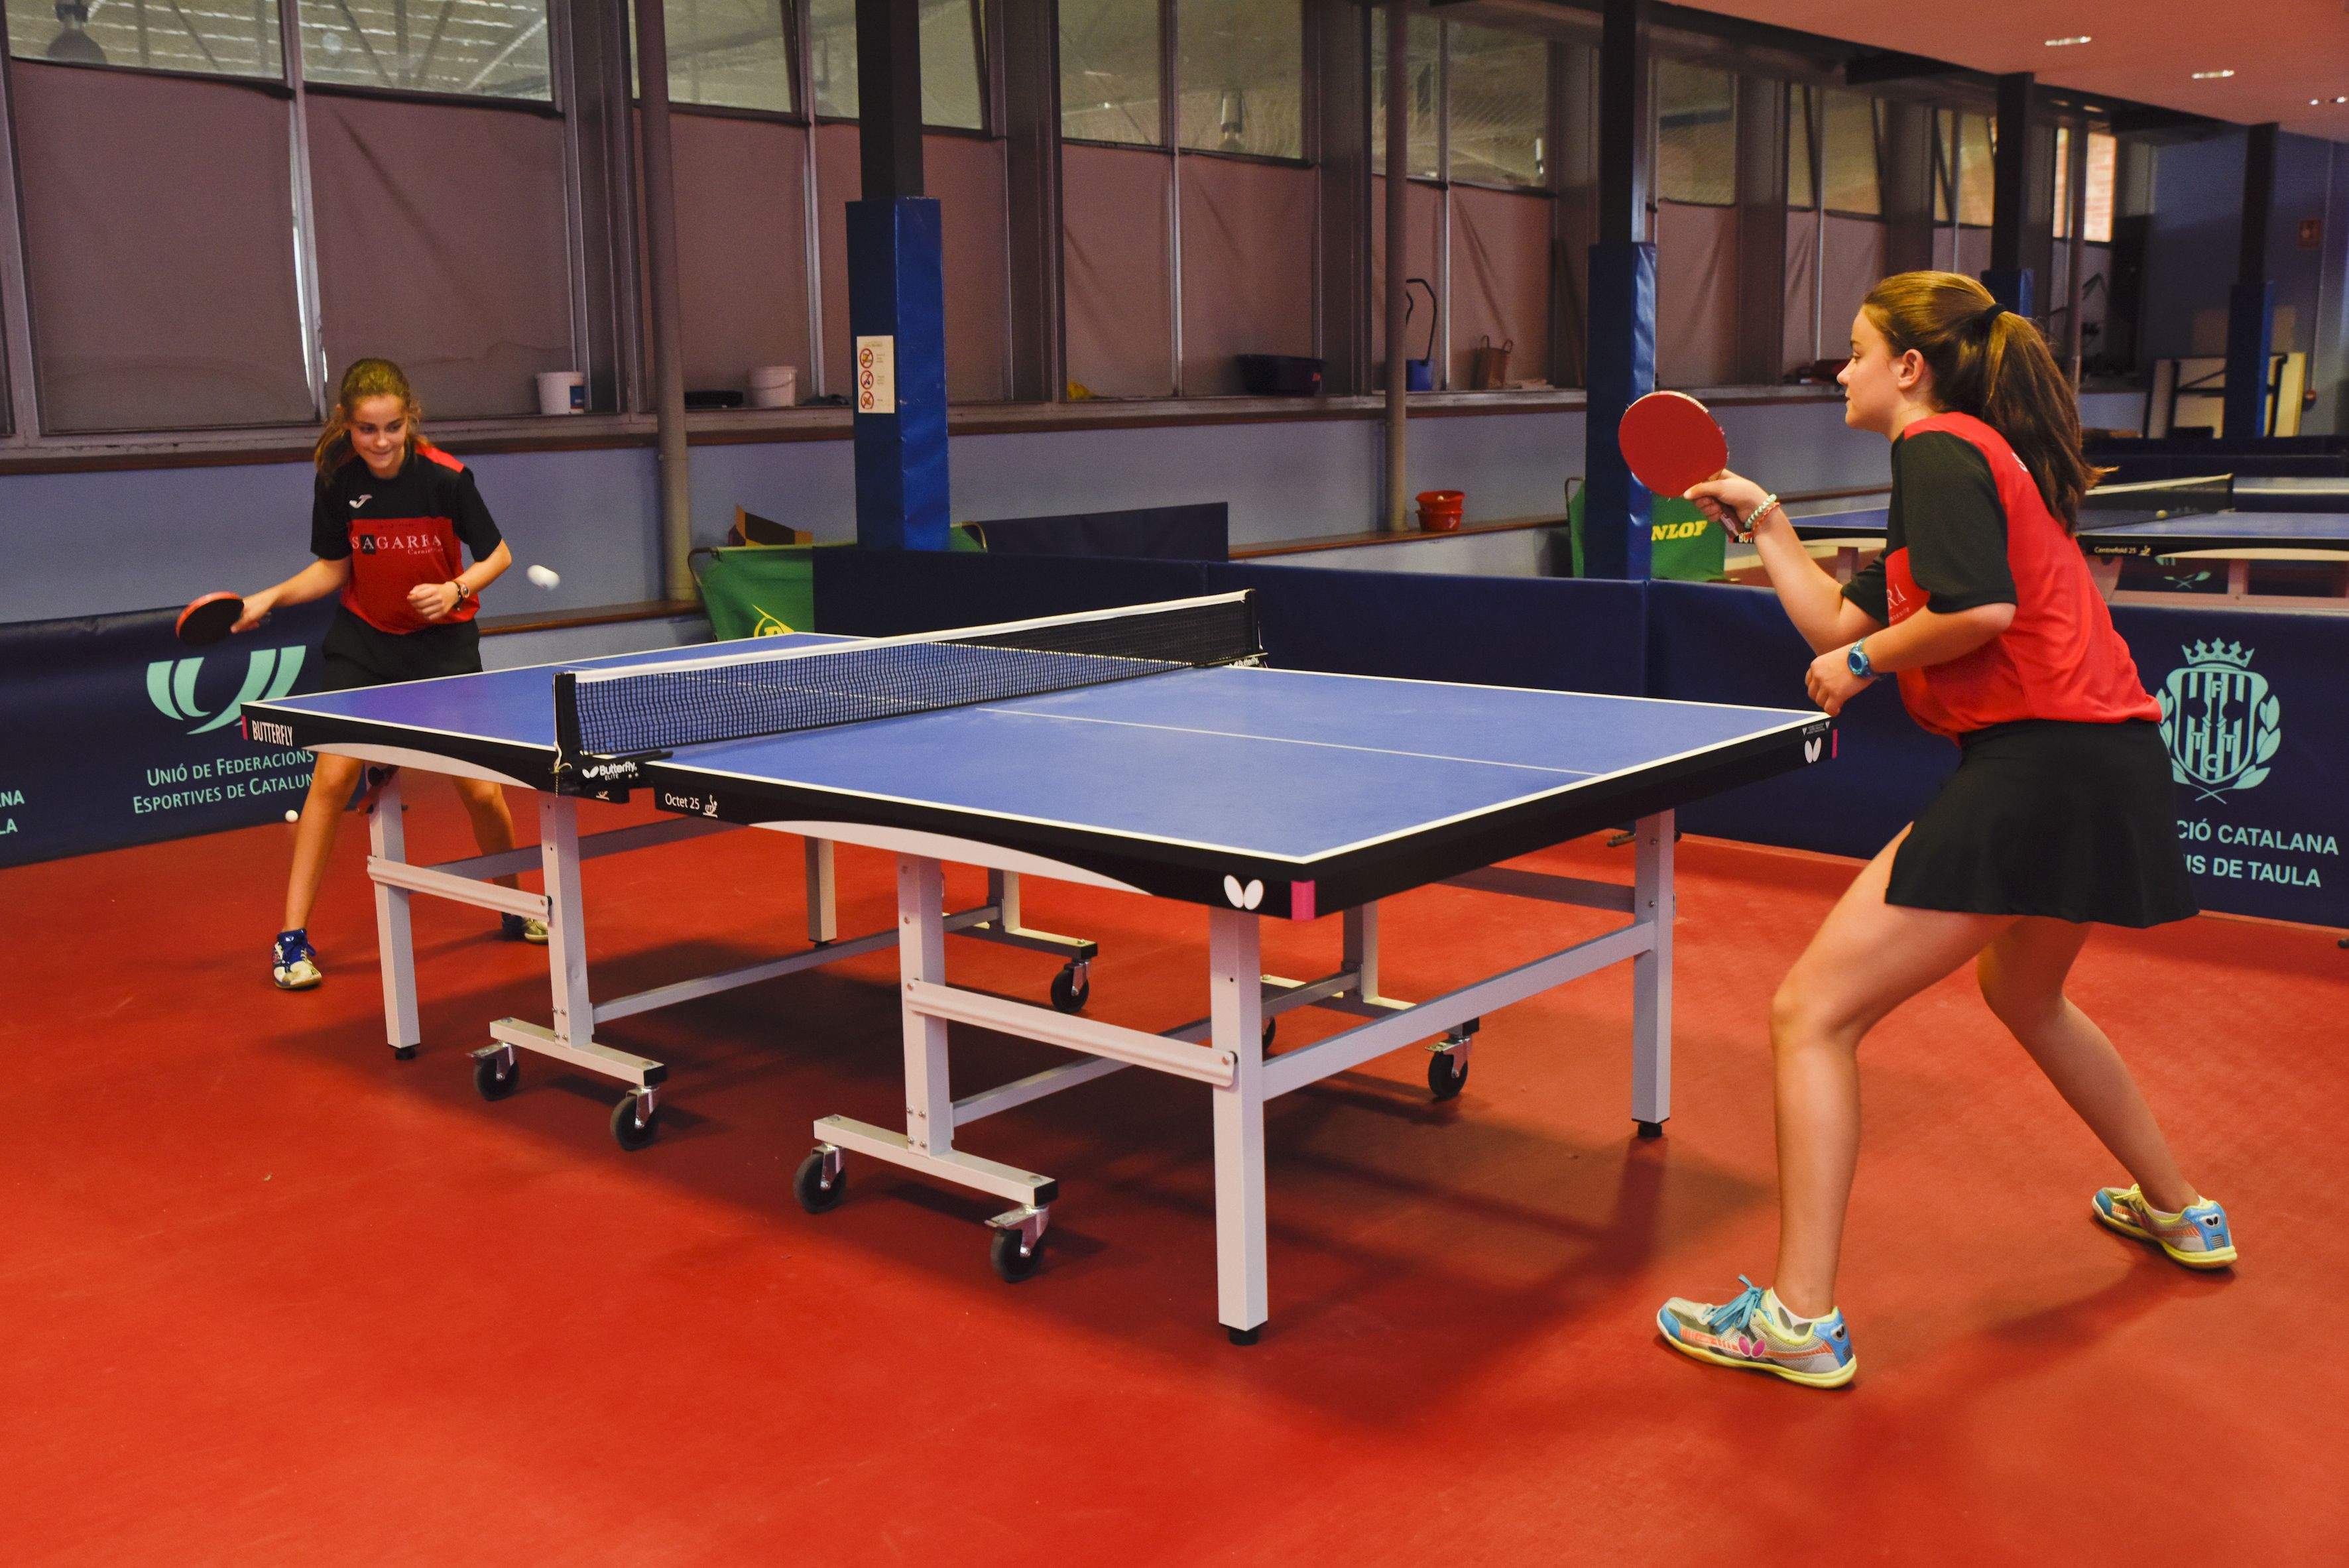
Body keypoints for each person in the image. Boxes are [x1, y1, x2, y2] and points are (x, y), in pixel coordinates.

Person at [1657, 272, 2232, 1390]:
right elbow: (1833, 615)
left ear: (1908, 368)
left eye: (1855, 351)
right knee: (2025, 991)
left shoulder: (1934, 450)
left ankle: (1796, 1318)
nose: (1841, 371)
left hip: (2039, 763)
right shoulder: (1961, 465)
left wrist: (1860, 664)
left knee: (1809, 1014)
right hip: (2106, 760)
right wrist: (1765, 521)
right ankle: (2180, 1209)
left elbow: (1974, 615)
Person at [233, 358, 542, 989]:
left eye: (392, 427)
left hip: (442, 646)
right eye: (367, 429)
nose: (380, 441)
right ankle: (291, 939)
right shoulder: (337, 478)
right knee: (331, 779)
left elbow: (499, 555)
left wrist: (455, 589)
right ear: (348, 425)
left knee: (481, 790)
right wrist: (271, 596)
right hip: (365, 642)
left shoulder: (446, 478)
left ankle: (513, 903)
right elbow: (333, 568)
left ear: (411, 419)